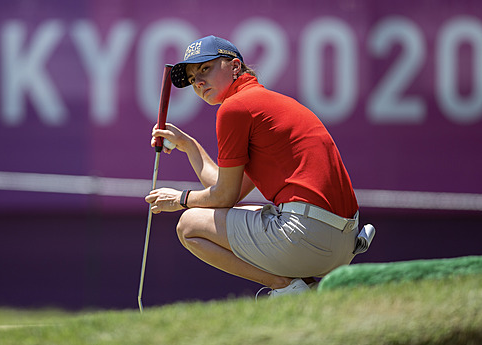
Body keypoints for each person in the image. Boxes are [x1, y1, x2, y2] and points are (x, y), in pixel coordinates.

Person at [145, 35, 362, 298]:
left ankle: (286, 287)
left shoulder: (235, 108)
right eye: (192, 79)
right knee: (223, 213)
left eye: (205, 69)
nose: (198, 82)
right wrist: (190, 146)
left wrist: (180, 199)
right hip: (344, 244)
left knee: (188, 226)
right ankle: (304, 286)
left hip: (308, 237)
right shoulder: (261, 103)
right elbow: (227, 192)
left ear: (235, 67)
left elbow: (223, 197)